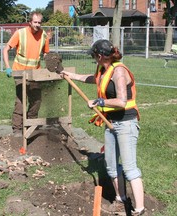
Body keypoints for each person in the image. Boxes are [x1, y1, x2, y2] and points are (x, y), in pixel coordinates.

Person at [61, 39, 145, 215]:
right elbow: (95, 79)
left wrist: (100, 101)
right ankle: (121, 200)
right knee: (112, 167)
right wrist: (71, 76)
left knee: (129, 168)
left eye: (93, 56)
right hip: (111, 123)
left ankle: (140, 210)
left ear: (99, 56)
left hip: (126, 124)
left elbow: (122, 101)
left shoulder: (119, 72)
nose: (93, 59)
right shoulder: (104, 69)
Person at [3, 12, 50, 137]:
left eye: (39, 22)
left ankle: (31, 124)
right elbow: (5, 49)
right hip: (20, 72)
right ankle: (17, 129)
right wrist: (8, 67)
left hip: (35, 73)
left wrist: (50, 61)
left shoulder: (44, 35)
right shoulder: (20, 33)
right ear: (30, 22)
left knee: (37, 100)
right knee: (21, 101)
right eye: (35, 22)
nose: (37, 25)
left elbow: (45, 53)